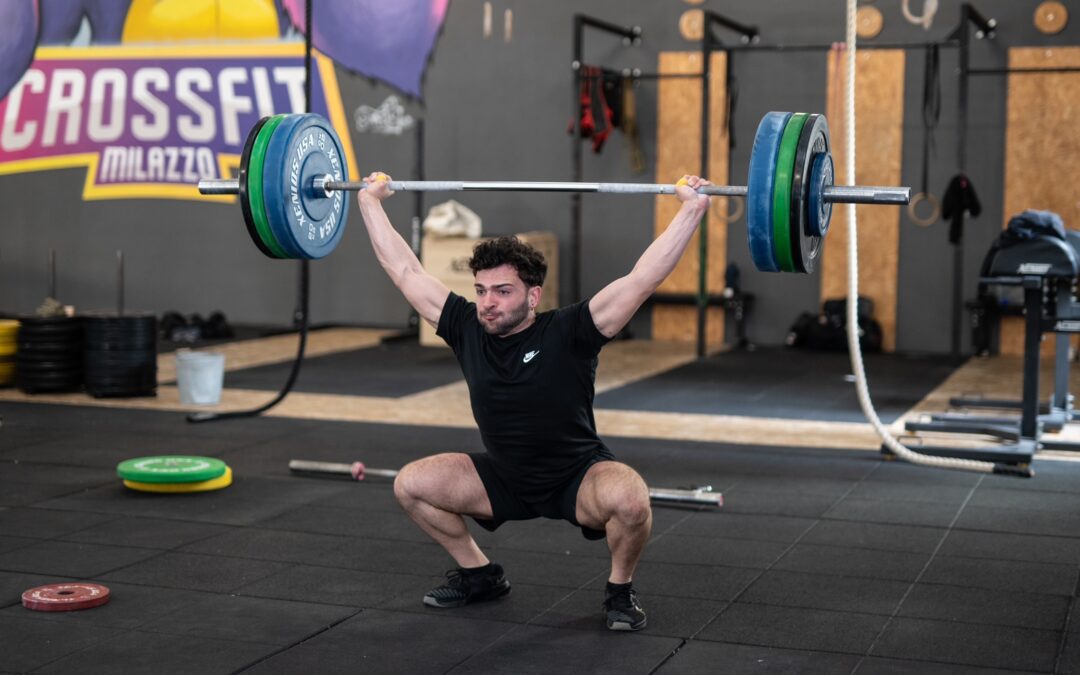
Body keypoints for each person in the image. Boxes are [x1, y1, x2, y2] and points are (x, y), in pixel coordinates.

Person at [357, 171, 711, 631]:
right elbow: (404, 270)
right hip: (502, 476)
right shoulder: (466, 327)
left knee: (630, 499)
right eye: (481, 290)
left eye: (502, 292)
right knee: (411, 485)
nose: (488, 303)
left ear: (533, 295)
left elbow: (643, 278)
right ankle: (481, 575)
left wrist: (692, 209)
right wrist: (369, 201)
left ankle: (619, 591)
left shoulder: (571, 330)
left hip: (576, 476)